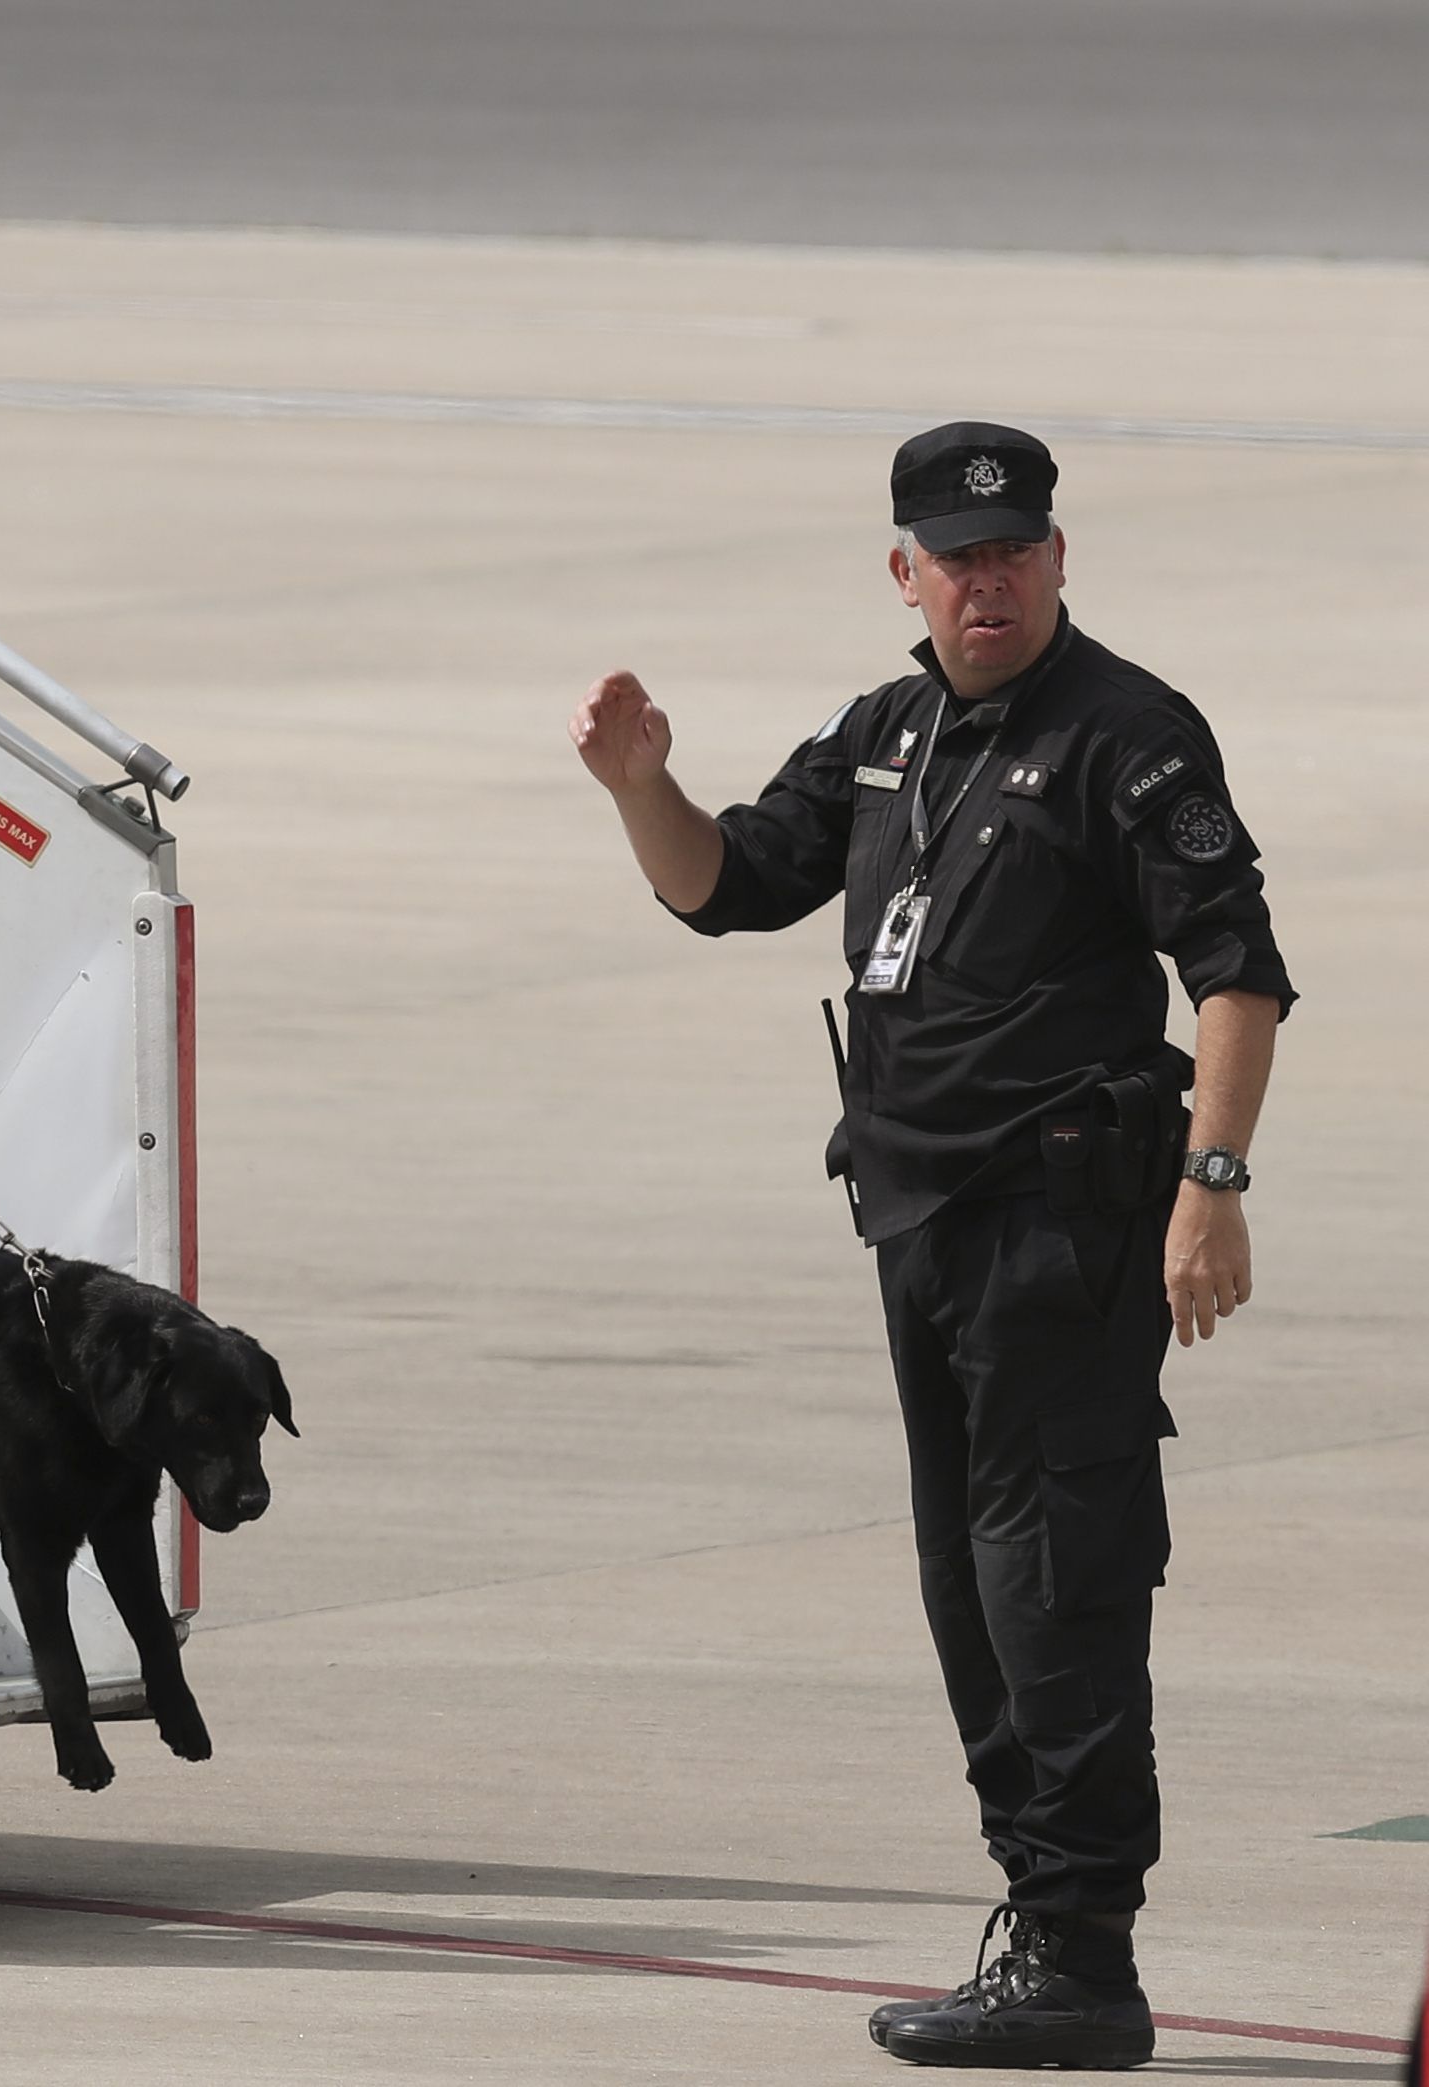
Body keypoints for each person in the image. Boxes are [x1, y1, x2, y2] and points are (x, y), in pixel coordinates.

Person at [570, 423, 1292, 2070]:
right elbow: (728, 881)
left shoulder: (1127, 734)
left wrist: (1213, 1180)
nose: (989, 581)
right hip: (917, 1218)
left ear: (1058, 557)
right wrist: (637, 788)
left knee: (1055, 1580)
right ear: (902, 569)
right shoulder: (890, 733)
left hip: (1061, 1223)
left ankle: (1079, 1949)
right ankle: (1042, 1925)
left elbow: (1236, 971)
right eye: (956, 557)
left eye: (1015, 550)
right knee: (966, 1584)